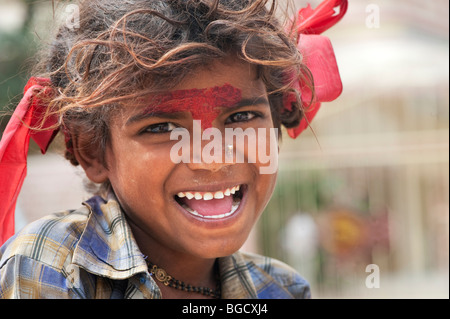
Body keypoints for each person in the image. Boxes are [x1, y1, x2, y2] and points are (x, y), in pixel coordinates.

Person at [0, 0, 347, 299]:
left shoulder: (281, 289)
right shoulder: (53, 264)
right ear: (94, 151)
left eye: (241, 116)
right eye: (162, 128)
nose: (215, 159)